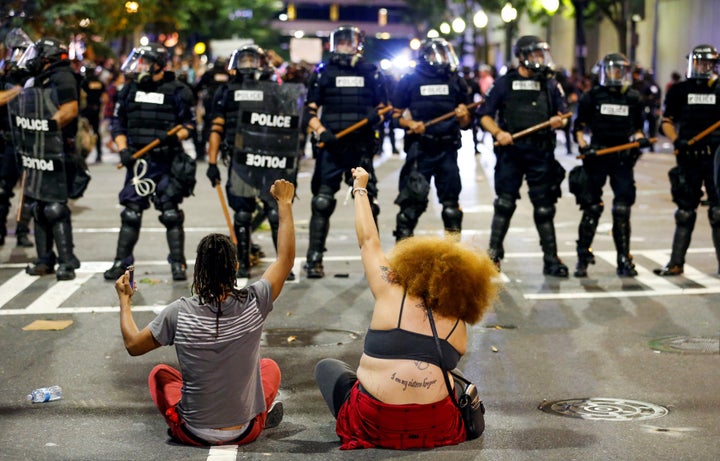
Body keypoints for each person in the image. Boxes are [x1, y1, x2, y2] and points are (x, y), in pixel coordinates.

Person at [314, 166, 498, 450]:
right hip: (435, 425)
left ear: (411, 265)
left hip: (374, 422)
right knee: (453, 379)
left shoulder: (391, 290)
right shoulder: (457, 326)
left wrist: (360, 188)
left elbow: (368, 242)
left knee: (328, 368)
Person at [114, 178, 296, 446]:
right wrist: (285, 203)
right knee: (268, 368)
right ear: (235, 267)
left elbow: (133, 344)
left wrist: (124, 300)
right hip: (246, 431)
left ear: (198, 269)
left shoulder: (179, 312)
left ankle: (184, 416)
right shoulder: (254, 301)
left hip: (193, 432)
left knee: (160, 375)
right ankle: (260, 413)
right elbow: (285, 259)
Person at [206, 45, 304, 279]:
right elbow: (216, 128)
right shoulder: (226, 91)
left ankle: (283, 264)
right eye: (244, 60)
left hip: (268, 159)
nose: (248, 65)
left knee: (274, 212)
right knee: (242, 214)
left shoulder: (273, 90)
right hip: (240, 160)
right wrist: (211, 163)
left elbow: (287, 126)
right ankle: (243, 263)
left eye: (253, 60)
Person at [103, 43, 197, 281]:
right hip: (139, 162)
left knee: (170, 213)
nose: (139, 67)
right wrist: (123, 150)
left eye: (144, 62)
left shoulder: (178, 90)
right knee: (131, 214)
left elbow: (190, 126)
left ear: (157, 65)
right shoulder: (128, 90)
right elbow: (118, 124)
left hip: (167, 160)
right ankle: (120, 263)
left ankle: (178, 264)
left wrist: (174, 136)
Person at [477, 35, 569, 276]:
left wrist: (558, 120)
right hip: (511, 152)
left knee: (544, 207)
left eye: (541, 54)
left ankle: (551, 259)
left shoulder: (550, 82)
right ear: (521, 57)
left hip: (541, 152)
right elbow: (485, 114)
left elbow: (565, 113)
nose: (540, 59)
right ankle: (494, 255)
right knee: (505, 204)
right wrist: (498, 132)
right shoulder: (505, 82)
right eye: (535, 55)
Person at [302, 25, 388, 278]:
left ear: (358, 45)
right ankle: (314, 258)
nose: (344, 47)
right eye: (340, 42)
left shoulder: (371, 73)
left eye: (348, 42)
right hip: (332, 146)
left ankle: (375, 262)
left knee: (368, 204)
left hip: (360, 146)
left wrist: (376, 117)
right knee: (322, 201)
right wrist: (320, 130)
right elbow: (309, 111)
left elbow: (385, 108)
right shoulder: (322, 73)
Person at [12, 37, 90, 280]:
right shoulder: (38, 79)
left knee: (55, 207)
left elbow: (69, 110)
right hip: (38, 149)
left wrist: (44, 126)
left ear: (48, 57)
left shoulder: (63, 76)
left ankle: (67, 261)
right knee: (38, 206)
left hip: (58, 150)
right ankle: (45, 259)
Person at [571, 53, 649, 278]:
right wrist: (584, 146)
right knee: (592, 207)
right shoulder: (592, 96)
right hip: (597, 156)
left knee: (622, 209)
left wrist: (639, 138)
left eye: (620, 70)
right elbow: (579, 127)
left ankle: (624, 258)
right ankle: (583, 256)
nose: (616, 75)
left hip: (623, 158)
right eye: (612, 70)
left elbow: (637, 127)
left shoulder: (633, 98)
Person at [391, 38, 471, 241]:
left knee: (452, 207)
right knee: (411, 206)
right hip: (421, 148)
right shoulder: (410, 80)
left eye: (445, 54)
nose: (443, 58)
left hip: (448, 147)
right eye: (438, 54)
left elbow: (468, 122)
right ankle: (402, 258)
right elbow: (394, 116)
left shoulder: (455, 80)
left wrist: (463, 116)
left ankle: (453, 258)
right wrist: (409, 124)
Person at [654, 44, 720, 276]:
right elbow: (666, 121)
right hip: (689, 157)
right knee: (685, 211)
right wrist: (676, 141)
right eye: (700, 62)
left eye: (708, 63)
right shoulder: (680, 90)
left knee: (718, 212)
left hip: (715, 159)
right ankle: (676, 262)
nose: (704, 67)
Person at [0, 27, 33, 248]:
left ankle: (23, 230)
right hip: (7, 140)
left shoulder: (34, 76)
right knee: (3, 189)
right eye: (15, 52)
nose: (18, 57)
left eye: (22, 52)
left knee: (29, 191)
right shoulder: (5, 78)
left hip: (29, 139)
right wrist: (20, 89)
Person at [194, 57, 230, 162]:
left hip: (211, 106)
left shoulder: (209, 73)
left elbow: (198, 87)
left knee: (207, 130)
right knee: (223, 130)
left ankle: (201, 154)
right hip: (223, 107)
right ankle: (224, 153)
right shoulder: (227, 75)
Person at [80, 63, 106, 163]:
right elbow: (104, 97)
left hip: (86, 110)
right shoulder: (100, 82)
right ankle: (99, 154)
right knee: (96, 132)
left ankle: (83, 153)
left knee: (84, 132)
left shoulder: (84, 82)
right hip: (96, 109)